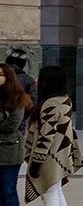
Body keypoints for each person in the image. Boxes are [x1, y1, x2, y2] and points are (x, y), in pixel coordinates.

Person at [23, 65, 81, 206]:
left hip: (50, 156)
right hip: (60, 154)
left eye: (40, 78)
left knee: (50, 193)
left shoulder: (51, 104)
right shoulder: (64, 100)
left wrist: (36, 162)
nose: (37, 81)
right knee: (55, 190)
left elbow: (46, 136)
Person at [1, 64, 31, 206]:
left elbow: (12, 125)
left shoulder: (17, 97)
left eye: (1, 74)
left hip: (10, 151)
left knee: (8, 190)